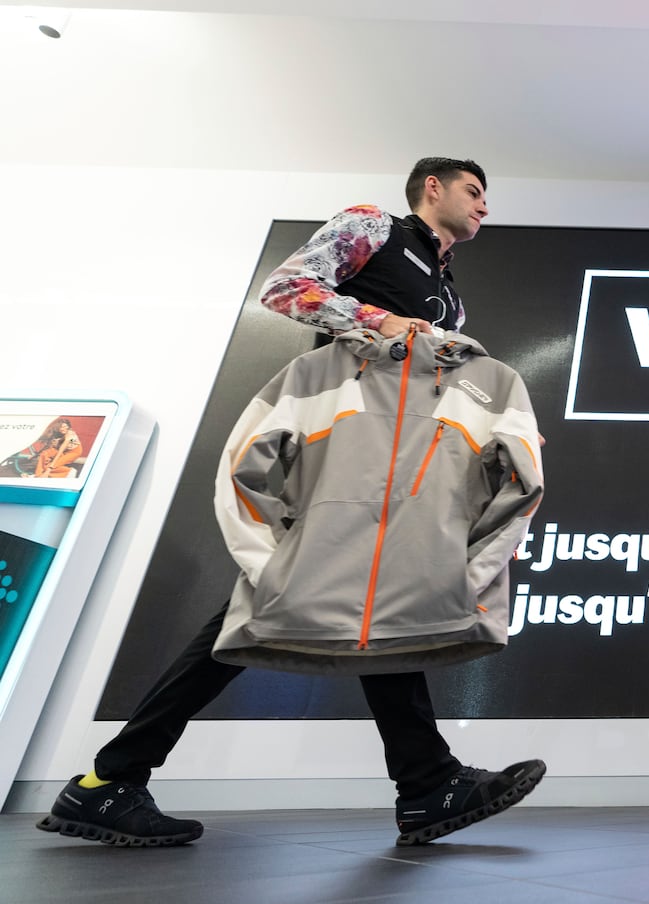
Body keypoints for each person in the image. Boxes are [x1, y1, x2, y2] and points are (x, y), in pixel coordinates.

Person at [37, 157, 544, 848]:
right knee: (272, 605)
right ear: (434, 187)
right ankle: (109, 778)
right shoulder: (374, 227)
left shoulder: (450, 298)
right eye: (474, 190)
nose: (484, 205)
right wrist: (376, 319)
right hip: (339, 448)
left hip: (403, 466)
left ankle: (426, 784)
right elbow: (287, 287)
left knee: (365, 606)